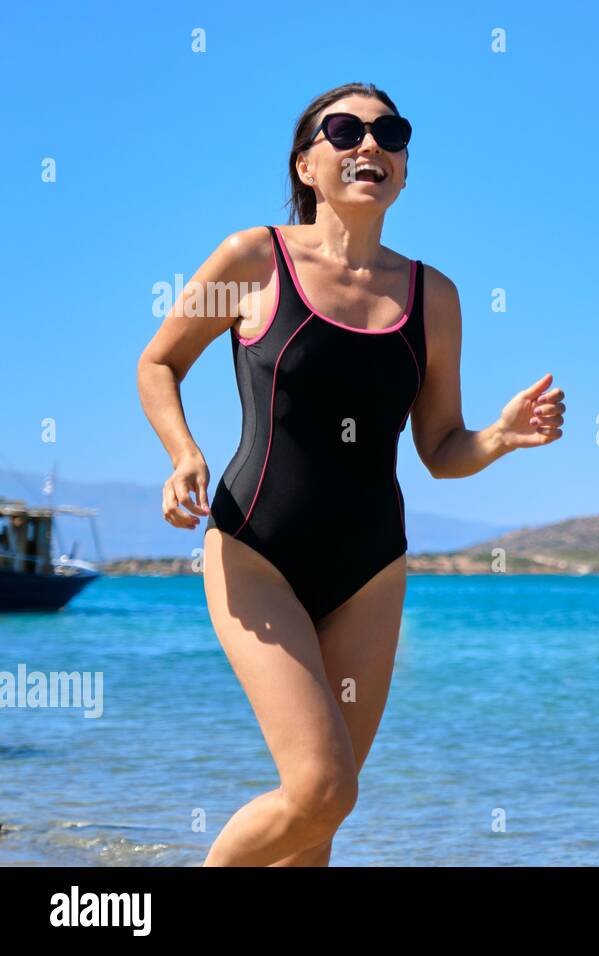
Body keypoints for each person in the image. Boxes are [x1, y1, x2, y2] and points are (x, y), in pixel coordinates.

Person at [136, 83, 566, 866]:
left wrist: (499, 438)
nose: (371, 146)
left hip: (371, 568)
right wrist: (182, 453)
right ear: (306, 163)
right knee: (320, 788)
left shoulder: (433, 295)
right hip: (255, 546)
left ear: (404, 168)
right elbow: (159, 362)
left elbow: (440, 448)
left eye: (390, 134)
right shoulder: (254, 259)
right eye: (345, 131)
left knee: (318, 827)